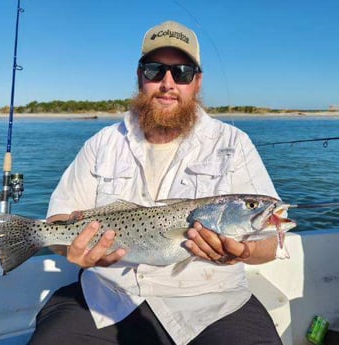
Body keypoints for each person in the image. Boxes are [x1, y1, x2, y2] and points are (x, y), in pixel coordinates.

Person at [29, 21, 282, 345]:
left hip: (212, 301)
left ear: (197, 81)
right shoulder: (101, 144)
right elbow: (59, 220)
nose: (167, 83)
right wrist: (69, 248)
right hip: (107, 296)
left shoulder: (235, 143)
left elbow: (270, 244)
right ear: (140, 76)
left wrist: (244, 249)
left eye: (182, 73)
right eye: (154, 70)